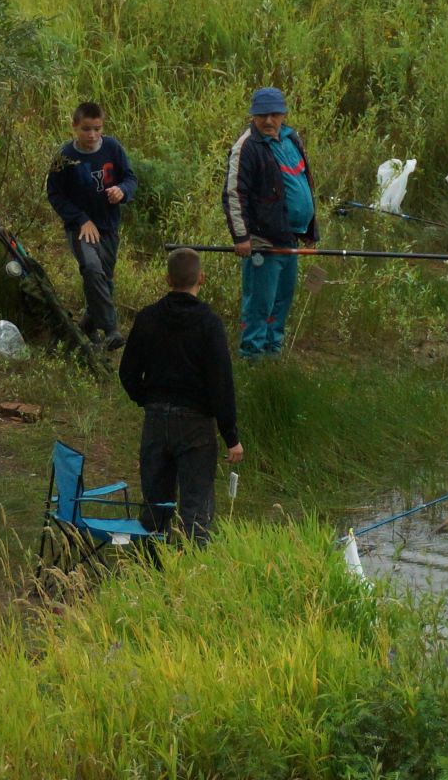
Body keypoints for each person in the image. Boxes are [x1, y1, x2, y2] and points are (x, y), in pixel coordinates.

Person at [117, 248, 242, 543]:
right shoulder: (209, 323)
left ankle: (150, 566)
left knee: (155, 505)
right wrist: (231, 436)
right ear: (202, 278)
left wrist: (147, 399)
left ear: (167, 279)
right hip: (197, 425)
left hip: (156, 419)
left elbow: (127, 373)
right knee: (196, 509)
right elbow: (221, 384)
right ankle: (192, 574)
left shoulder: (148, 318)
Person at [222, 87, 317, 360]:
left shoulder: (291, 139)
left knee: (282, 302)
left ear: (283, 114)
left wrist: (311, 229)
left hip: (291, 237)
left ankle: (273, 355)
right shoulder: (247, 146)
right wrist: (241, 237)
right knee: (259, 305)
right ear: (253, 115)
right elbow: (233, 194)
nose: (268, 121)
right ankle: (252, 357)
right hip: (263, 242)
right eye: (262, 115)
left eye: (274, 114)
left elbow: (304, 184)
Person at [44, 101, 138, 351]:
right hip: (82, 229)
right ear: (75, 126)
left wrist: (122, 191)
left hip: (108, 227)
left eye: (97, 129)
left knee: (104, 281)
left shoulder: (112, 148)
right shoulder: (66, 157)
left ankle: (86, 325)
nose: (92, 135)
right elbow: (54, 194)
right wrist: (80, 219)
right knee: (93, 269)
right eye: (86, 129)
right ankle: (111, 330)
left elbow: (130, 178)